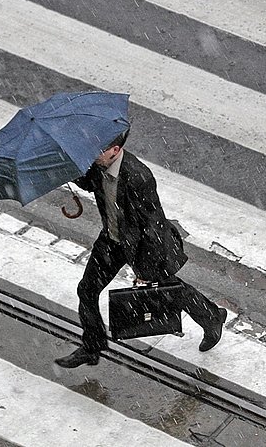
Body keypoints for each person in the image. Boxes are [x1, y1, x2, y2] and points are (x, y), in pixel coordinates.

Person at [55, 131, 227, 368]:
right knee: (87, 290)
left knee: (169, 289)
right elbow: (89, 183)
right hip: (112, 240)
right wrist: (68, 169)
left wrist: (145, 268)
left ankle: (212, 317)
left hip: (141, 245)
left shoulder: (138, 177)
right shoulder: (99, 164)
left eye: (99, 152)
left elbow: (152, 226)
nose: (93, 156)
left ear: (115, 150)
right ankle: (92, 347)